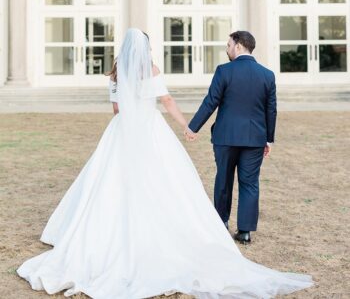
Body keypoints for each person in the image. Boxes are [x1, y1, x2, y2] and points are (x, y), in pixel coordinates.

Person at [17, 28, 313, 298]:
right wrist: (187, 125)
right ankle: (239, 229)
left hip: (121, 131)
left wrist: (146, 124)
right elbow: (167, 100)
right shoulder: (155, 70)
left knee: (109, 182)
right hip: (154, 129)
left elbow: (118, 108)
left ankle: (211, 222)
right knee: (175, 181)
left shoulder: (116, 74)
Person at [187, 31, 276, 244]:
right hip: (255, 138)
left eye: (228, 45)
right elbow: (271, 110)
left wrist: (193, 127)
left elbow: (211, 102)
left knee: (223, 179)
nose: (227, 49)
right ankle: (245, 231)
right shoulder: (267, 75)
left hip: (225, 137)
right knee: (250, 183)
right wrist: (269, 139)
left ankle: (220, 224)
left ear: (238, 46)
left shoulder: (224, 71)